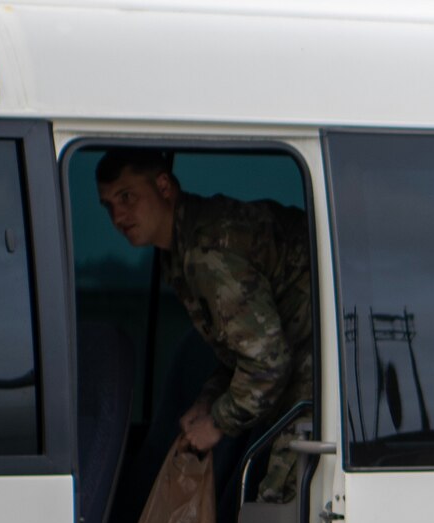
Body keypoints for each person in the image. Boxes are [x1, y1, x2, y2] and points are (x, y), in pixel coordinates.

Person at [95, 148, 314, 503]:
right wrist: (208, 401)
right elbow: (241, 349)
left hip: (322, 371)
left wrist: (217, 423)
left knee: (280, 501)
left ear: (164, 187)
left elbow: (268, 362)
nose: (118, 215)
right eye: (108, 206)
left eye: (127, 197)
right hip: (296, 361)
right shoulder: (182, 253)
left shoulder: (206, 253)